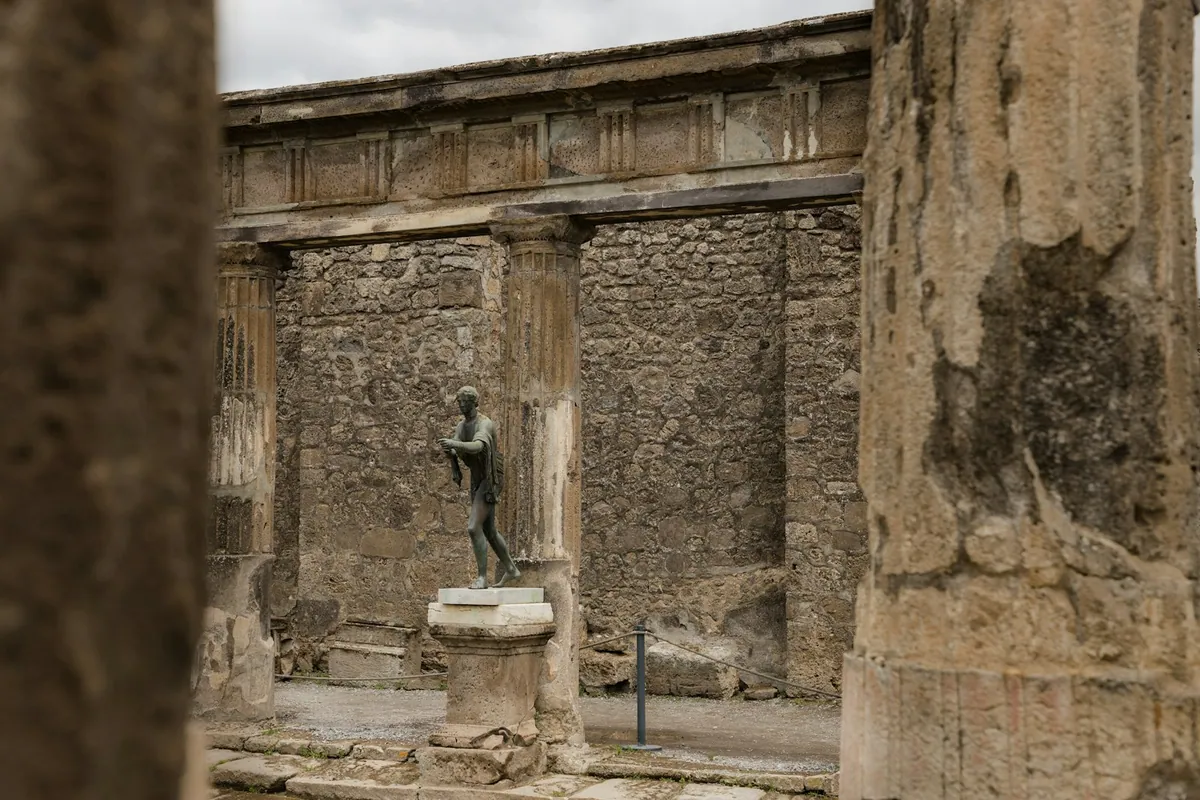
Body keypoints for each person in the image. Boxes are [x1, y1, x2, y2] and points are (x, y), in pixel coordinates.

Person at [437, 386, 521, 588]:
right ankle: (511, 569)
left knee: (473, 527)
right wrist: (452, 456)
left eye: (465, 401)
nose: (461, 405)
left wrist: (454, 445)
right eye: (459, 401)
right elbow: (455, 447)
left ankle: (482, 578)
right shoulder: (462, 425)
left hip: (491, 478)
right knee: (489, 530)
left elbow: (478, 446)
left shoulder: (484, 423)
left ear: (474, 402)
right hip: (477, 479)